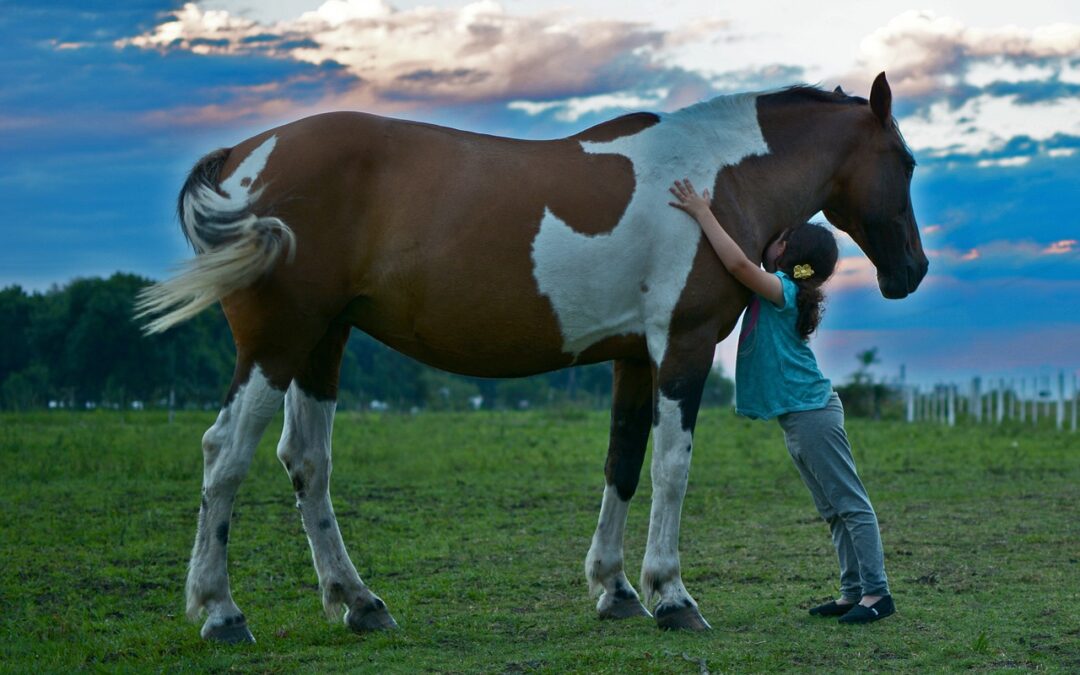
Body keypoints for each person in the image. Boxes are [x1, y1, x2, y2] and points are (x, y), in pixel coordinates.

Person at [668, 178, 895, 624]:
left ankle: (878, 594)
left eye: (781, 237)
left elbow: (735, 262)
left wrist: (702, 212)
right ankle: (853, 591)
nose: (772, 238)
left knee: (851, 503)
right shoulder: (785, 290)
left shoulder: (782, 291)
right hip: (799, 417)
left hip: (811, 413)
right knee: (832, 509)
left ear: (789, 254)